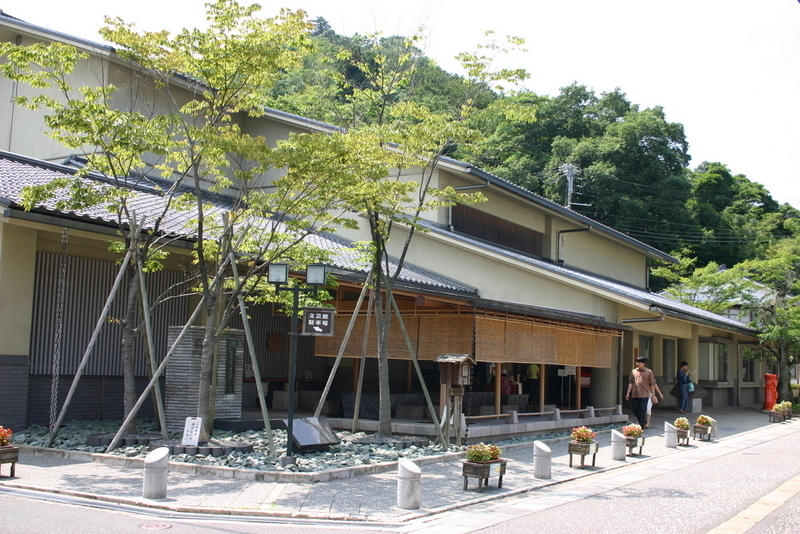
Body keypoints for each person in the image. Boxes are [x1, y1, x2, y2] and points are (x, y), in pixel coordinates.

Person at [626, 356, 657, 427]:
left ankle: (641, 425)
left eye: (639, 362)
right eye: (637, 362)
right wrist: (628, 393)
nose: (637, 364)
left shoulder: (649, 372)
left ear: (644, 363)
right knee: (635, 409)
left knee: (643, 410)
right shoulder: (633, 372)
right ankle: (643, 421)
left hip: (645, 394)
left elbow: (652, 384)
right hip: (635, 394)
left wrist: (653, 395)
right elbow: (630, 382)